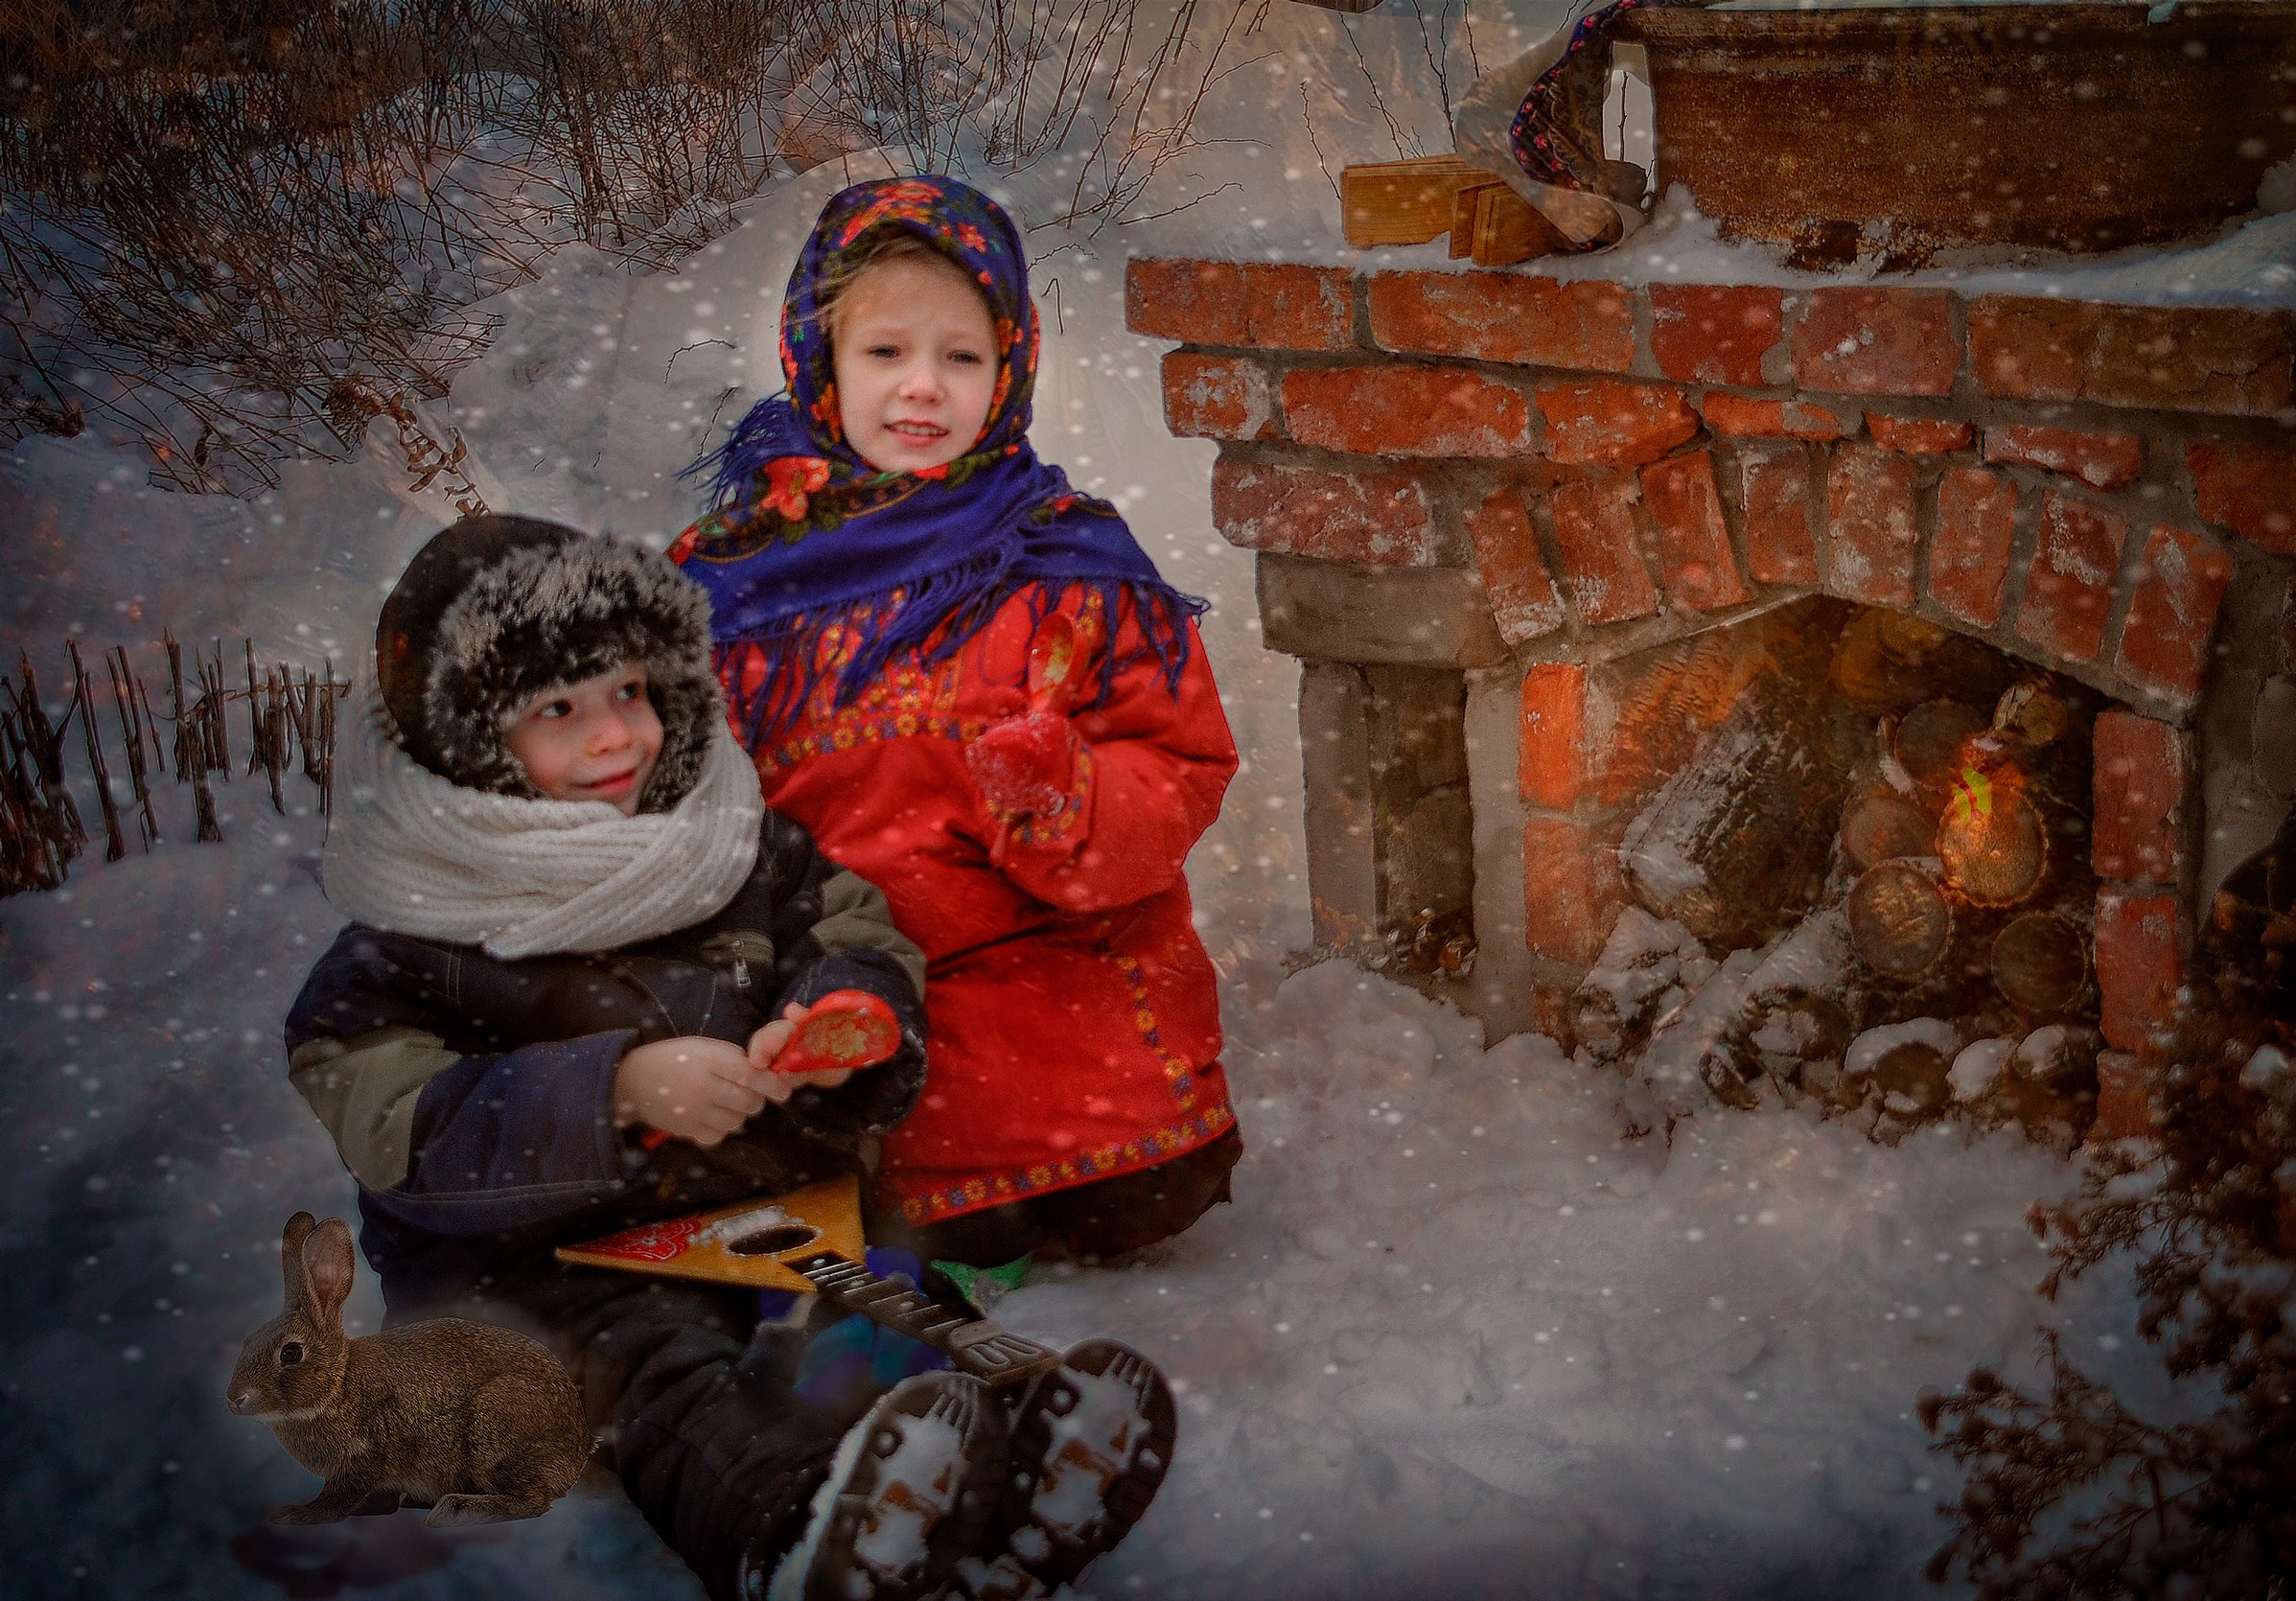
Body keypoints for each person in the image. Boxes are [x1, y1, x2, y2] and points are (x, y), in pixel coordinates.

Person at [284, 513, 1172, 1601]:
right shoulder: (410, 930)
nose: (615, 735)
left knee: (875, 1294)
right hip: (541, 1278)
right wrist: (607, 1090)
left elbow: (844, 923)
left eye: (628, 692)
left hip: (755, 1218)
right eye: (558, 711)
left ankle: (1006, 1458)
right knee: (672, 1369)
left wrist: (842, 1008)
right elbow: (392, 1118)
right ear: (466, 738)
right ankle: (798, 1531)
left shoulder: (720, 838)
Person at [670, 175, 1243, 1284]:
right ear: (818, 357)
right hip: (825, 963)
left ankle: (922, 1199)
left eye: (962, 357)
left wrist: (1069, 798)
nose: (923, 387)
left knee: (1145, 1175)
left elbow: (1179, 763)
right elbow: (665, 791)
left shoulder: (1064, 554)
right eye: (886, 353)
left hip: (1042, 953)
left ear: (1012, 365)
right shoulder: (730, 582)